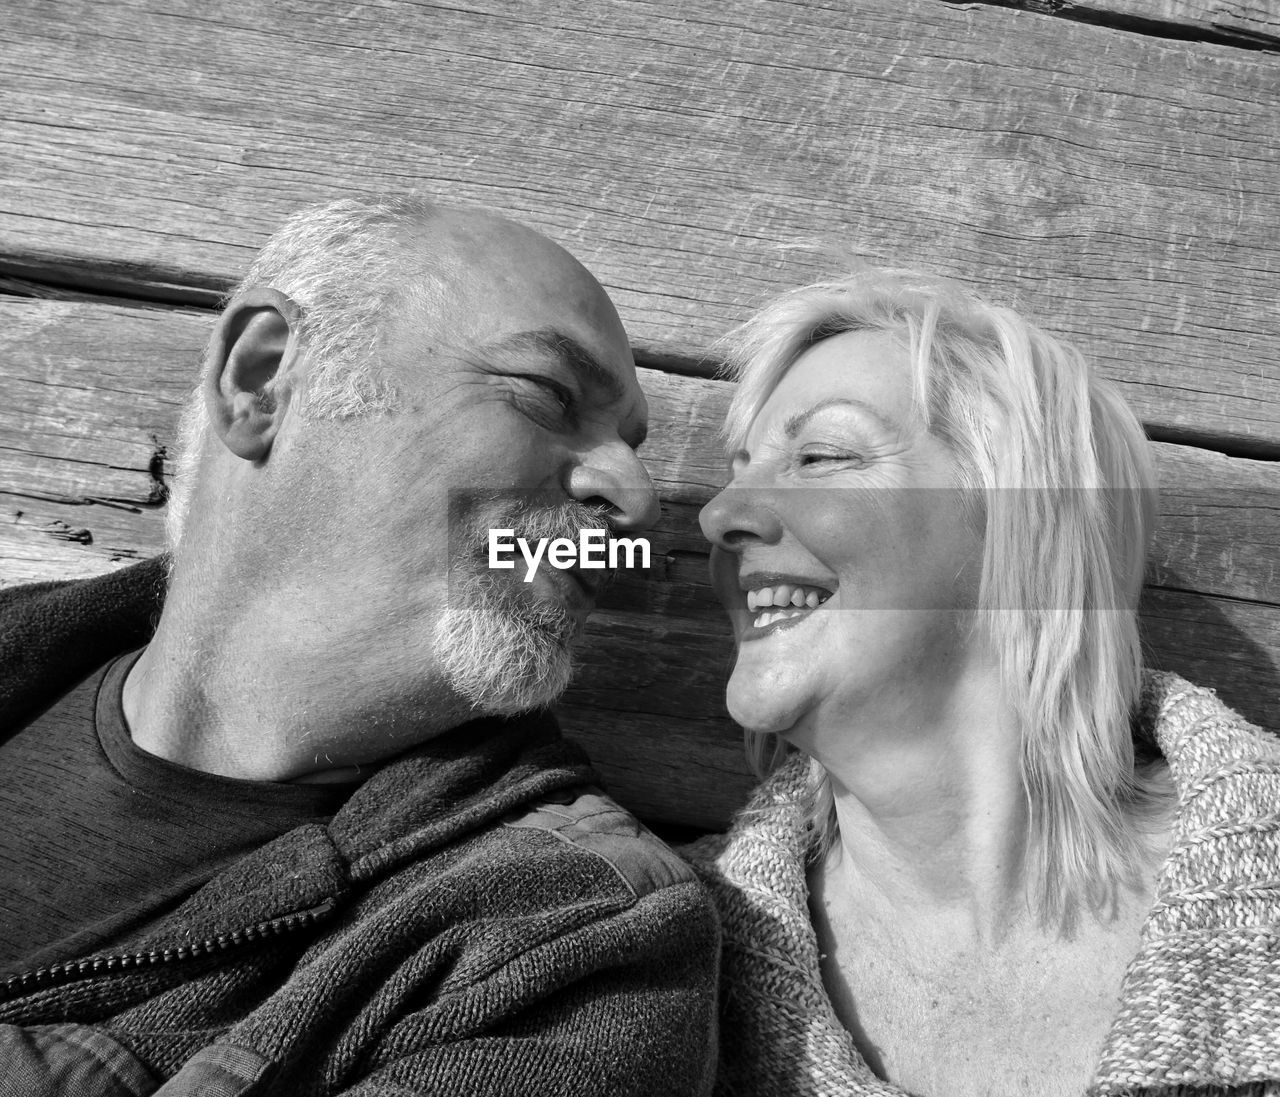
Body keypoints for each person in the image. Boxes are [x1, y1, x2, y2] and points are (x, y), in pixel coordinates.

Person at [0, 197, 719, 1095]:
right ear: (261, 380)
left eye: (634, 446)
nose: (636, 498)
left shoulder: (563, 944)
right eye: (547, 393)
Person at [684, 266, 1280, 1096]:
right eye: (739, 468)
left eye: (820, 454)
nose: (719, 515)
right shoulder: (668, 970)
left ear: (1020, 522)